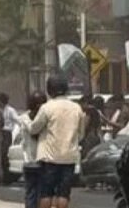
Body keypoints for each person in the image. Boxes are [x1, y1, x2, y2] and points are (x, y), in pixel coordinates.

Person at [29, 73, 85, 208]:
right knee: (63, 194)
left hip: (49, 158)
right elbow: (81, 134)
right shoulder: (76, 108)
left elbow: (34, 129)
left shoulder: (47, 107)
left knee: (46, 193)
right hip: (69, 157)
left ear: (49, 90)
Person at [18, 91, 46, 208]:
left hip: (40, 161)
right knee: (34, 193)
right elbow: (32, 131)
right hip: (32, 161)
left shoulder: (43, 118)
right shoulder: (26, 118)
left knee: (36, 193)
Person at [0, 92, 19, 184]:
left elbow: (17, 120)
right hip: (1, 133)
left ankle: (7, 177)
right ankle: (2, 176)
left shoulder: (10, 110)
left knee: (5, 155)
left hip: (7, 133)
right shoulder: (0, 110)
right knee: (0, 156)